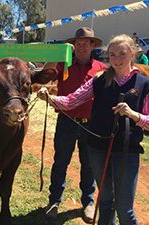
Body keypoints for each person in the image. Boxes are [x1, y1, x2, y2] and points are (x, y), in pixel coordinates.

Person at [39, 34, 147, 225]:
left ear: (131, 54)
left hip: (126, 150)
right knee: (104, 201)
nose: (116, 59)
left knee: (124, 208)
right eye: (112, 55)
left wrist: (134, 115)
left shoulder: (144, 83)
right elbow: (72, 100)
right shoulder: (99, 79)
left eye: (121, 54)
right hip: (97, 145)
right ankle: (58, 200)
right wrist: (51, 98)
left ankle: (90, 204)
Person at [42, 27, 107, 223]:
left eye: (86, 42)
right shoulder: (64, 65)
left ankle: (88, 202)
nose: (81, 46)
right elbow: (46, 73)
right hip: (66, 122)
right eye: (78, 43)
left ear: (92, 45)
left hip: (91, 125)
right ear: (73, 45)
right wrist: (59, 52)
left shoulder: (101, 69)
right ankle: (54, 201)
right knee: (60, 162)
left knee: (89, 165)